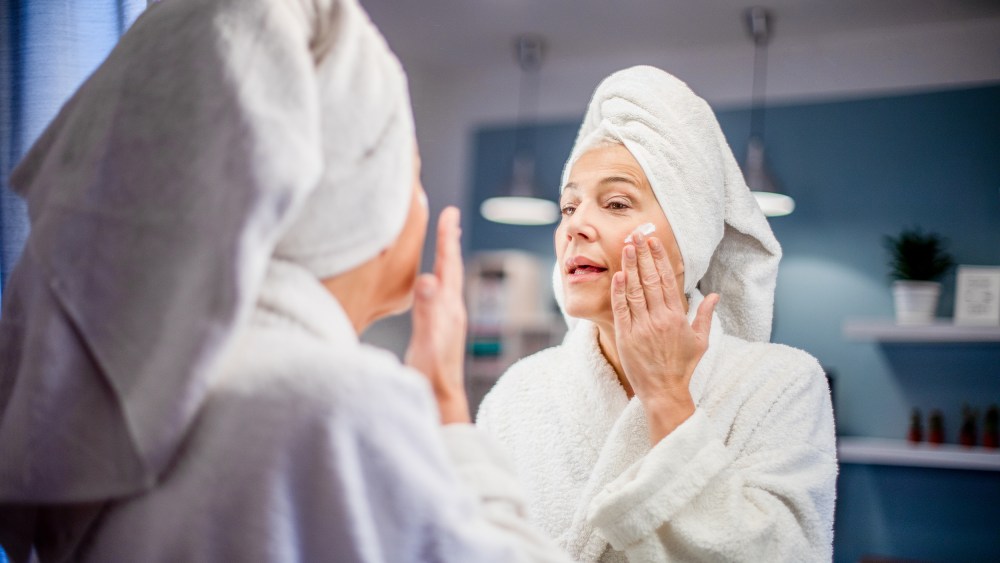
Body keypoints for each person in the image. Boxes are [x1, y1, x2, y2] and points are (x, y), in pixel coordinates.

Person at [0, 1, 573, 561]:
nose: (423, 203)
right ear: (354, 200)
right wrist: (447, 400)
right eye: (412, 174)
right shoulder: (332, 405)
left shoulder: (116, 405)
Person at [476, 66, 838, 562]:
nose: (577, 224)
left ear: (689, 235)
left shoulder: (780, 385)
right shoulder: (519, 395)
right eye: (568, 207)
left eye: (617, 202)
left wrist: (668, 395)